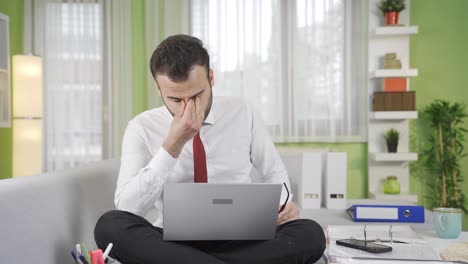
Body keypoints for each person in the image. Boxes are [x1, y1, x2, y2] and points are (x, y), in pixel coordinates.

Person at [94, 34, 325, 264]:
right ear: (158, 89)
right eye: (175, 99)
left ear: (211, 77)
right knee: (109, 226)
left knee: (311, 234)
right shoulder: (141, 127)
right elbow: (127, 208)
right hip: (172, 244)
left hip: (244, 239)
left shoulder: (242, 110)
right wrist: (172, 146)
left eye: (196, 95)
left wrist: (282, 205)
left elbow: (273, 171)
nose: (188, 108)